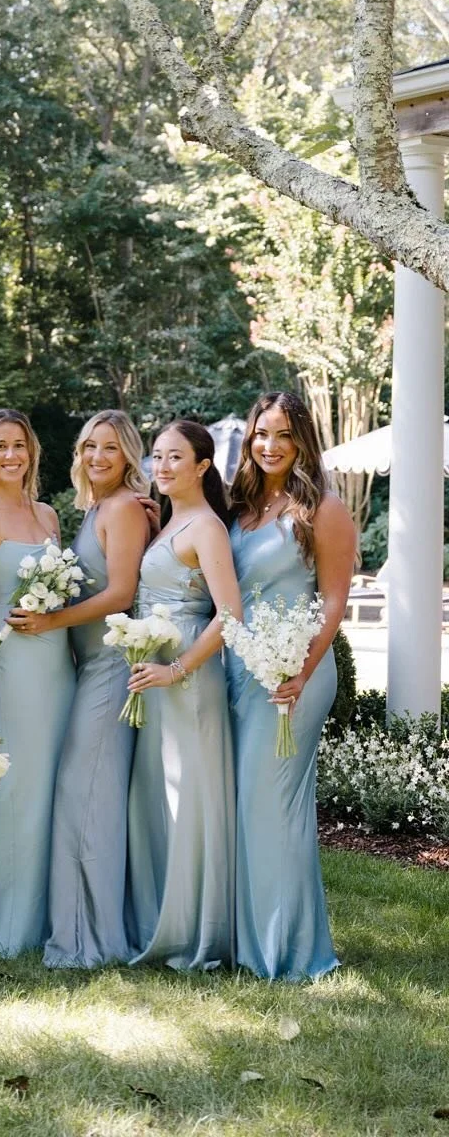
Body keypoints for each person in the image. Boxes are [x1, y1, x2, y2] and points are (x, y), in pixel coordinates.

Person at [15, 410, 152, 969]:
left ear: (127, 459)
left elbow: (121, 593)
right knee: (84, 796)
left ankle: (89, 938)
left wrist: (52, 621)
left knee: (84, 795)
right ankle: (77, 922)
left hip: (112, 669)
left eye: (111, 450)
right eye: (90, 447)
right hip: (86, 667)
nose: (98, 457)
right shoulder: (94, 509)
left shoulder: (122, 509)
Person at [227, 391, 354, 980]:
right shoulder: (244, 507)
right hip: (239, 671)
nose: (270, 445)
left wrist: (300, 670)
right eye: (261, 433)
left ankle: (288, 950)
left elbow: (333, 600)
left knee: (275, 806)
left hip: (293, 676)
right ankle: (246, 938)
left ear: (302, 439)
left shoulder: (323, 508)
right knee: (245, 807)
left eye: (283, 434)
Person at [125, 420, 240, 971]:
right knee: (160, 797)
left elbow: (230, 614)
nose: (163, 466)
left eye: (176, 457)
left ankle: (196, 930)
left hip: (187, 672)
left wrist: (177, 669)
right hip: (155, 667)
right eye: (157, 456)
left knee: (189, 800)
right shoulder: (173, 521)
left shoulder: (207, 529)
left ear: (202, 467)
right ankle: (159, 918)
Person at [0, 409, 76, 956]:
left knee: (53, 786)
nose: (11, 455)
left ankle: (49, 914)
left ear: (31, 451)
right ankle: (5, 925)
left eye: (19, 445)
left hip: (57, 662)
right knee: (16, 791)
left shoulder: (49, 516)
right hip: (13, 663)